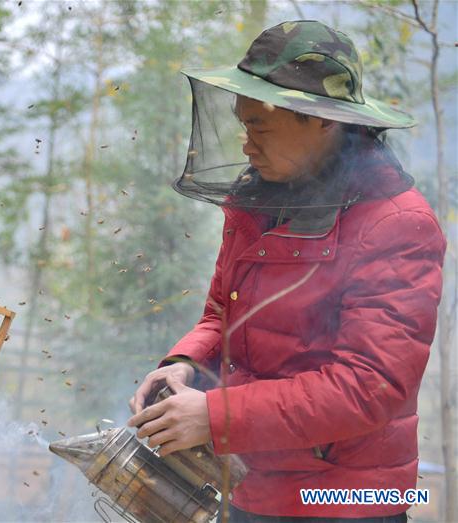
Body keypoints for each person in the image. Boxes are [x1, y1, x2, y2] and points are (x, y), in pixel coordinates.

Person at [127, 21, 445, 522]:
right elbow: (222, 313)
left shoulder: (397, 223)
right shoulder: (258, 199)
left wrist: (215, 416)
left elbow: (368, 387)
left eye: (260, 126)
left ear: (322, 120)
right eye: (243, 125)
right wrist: (184, 363)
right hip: (249, 486)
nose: (246, 144)